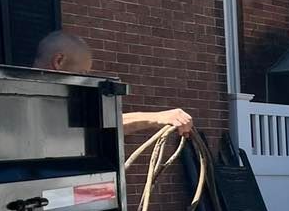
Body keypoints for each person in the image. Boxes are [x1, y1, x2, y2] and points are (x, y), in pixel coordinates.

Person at [34, 31, 194, 137]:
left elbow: (102, 124)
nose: (84, 80)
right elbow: (96, 124)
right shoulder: (34, 100)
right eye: (82, 73)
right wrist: (156, 118)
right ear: (59, 61)